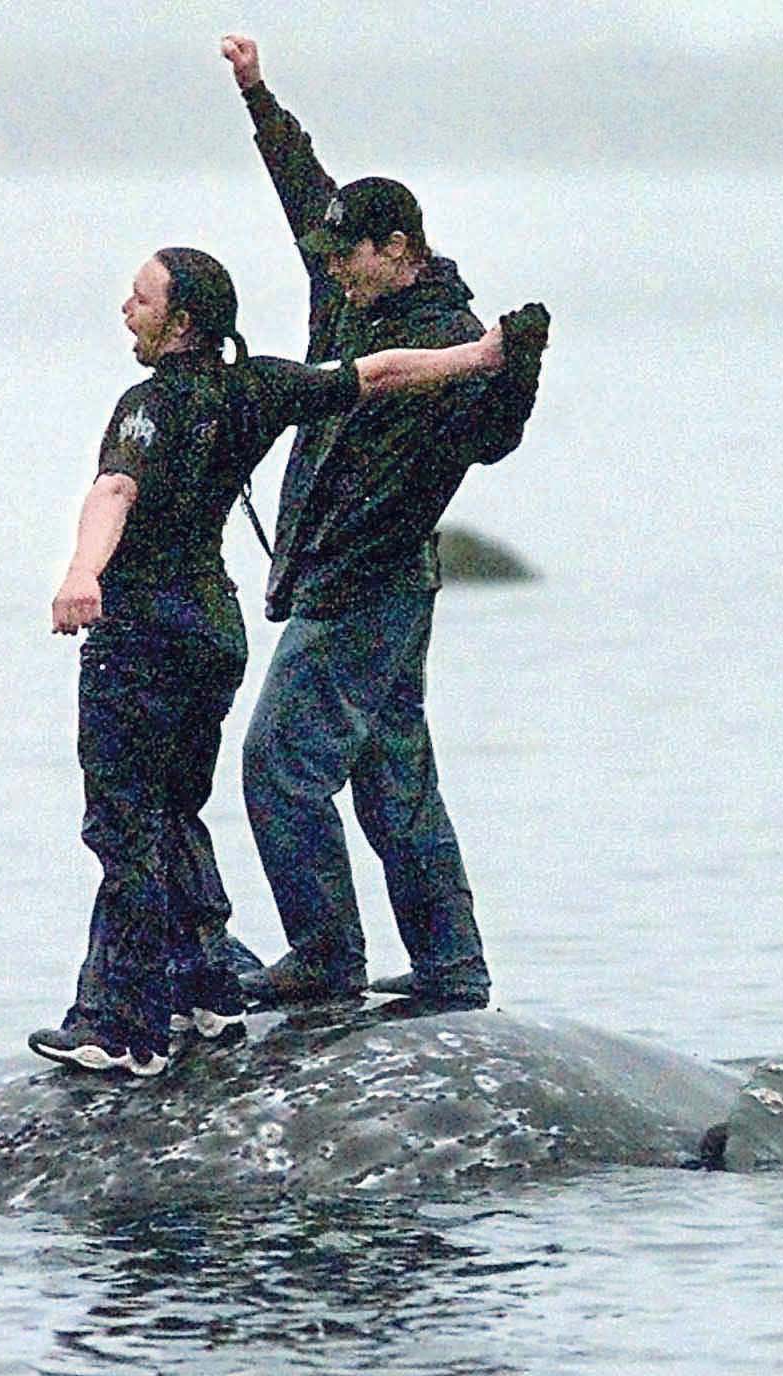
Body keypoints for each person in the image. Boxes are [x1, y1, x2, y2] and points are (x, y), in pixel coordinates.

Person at [29, 245, 531, 1077]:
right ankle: (208, 996)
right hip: (213, 633)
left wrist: (83, 570)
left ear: (182, 323)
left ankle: (121, 1022)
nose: (126, 308)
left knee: (123, 825)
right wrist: (478, 356)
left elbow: (114, 490)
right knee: (179, 810)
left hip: (144, 634)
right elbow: (373, 373)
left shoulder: (146, 406)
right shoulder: (254, 386)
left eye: (142, 298)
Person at [219, 34, 548, 1010]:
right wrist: (258, 95)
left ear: (397, 249)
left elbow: (491, 441)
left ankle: (325, 953)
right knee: (392, 777)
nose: (333, 272)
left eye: (348, 258)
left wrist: (517, 365)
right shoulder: (345, 283)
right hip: (356, 578)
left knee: (280, 762)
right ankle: (453, 968)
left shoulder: (451, 337)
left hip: (369, 581)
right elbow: (300, 183)